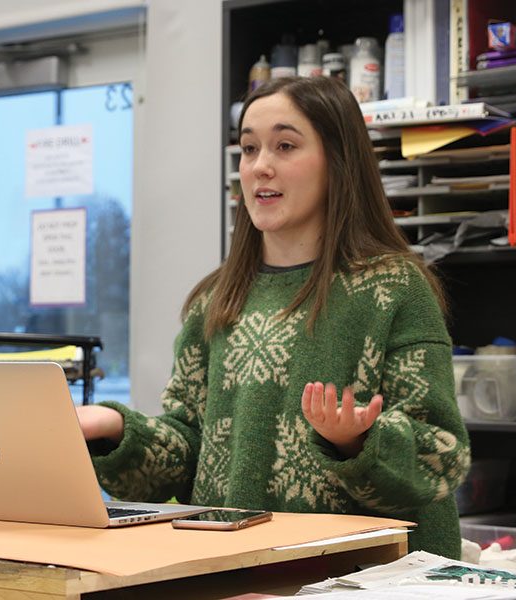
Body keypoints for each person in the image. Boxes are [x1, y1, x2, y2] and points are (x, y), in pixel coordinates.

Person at [77, 76, 470, 559]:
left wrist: (359, 441)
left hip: (365, 581)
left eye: (285, 146)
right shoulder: (215, 300)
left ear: (338, 160)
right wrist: (111, 428)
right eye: (248, 149)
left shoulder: (393, 289)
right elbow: (184, 458)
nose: (260, 166)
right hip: (237, 575)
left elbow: (443, 455)